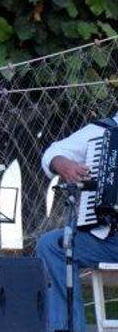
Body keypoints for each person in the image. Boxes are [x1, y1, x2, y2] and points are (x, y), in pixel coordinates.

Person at [36, 112, 118, 332]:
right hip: (112, 240)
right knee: (53, 245)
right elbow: (54, 153)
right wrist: (63, 165)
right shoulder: (103, 131)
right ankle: (67, 328)